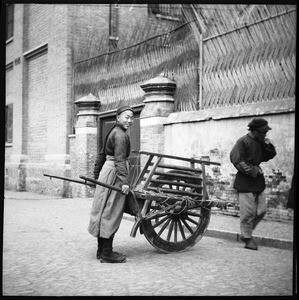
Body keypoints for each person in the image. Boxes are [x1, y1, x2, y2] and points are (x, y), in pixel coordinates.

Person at [88, 105, 134, 263]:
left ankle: (101, 250)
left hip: (106, 173)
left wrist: (96, 176)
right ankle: (107, 253)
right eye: (126, 117)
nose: (130, 120)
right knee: (111, 210)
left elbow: (101, 154)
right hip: (114, 173)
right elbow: (120, 159)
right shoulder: (120, 135)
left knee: (102, 208)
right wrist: (124, 182)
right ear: (118, 117)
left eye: (132, 117)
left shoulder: (112, 131)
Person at [230, 117, 276, 250]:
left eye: (265, 132)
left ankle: (246, 231)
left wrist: (267, 145)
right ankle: (247, 238)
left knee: (262, 210)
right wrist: (253, 170)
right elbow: (237, 160)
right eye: (262, 132)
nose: (264, 134)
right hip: (245, 181)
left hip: (258, 181)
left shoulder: (260, 141)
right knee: (248, 213)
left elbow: (268, 156)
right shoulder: (243, 141)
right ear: (254, 131)